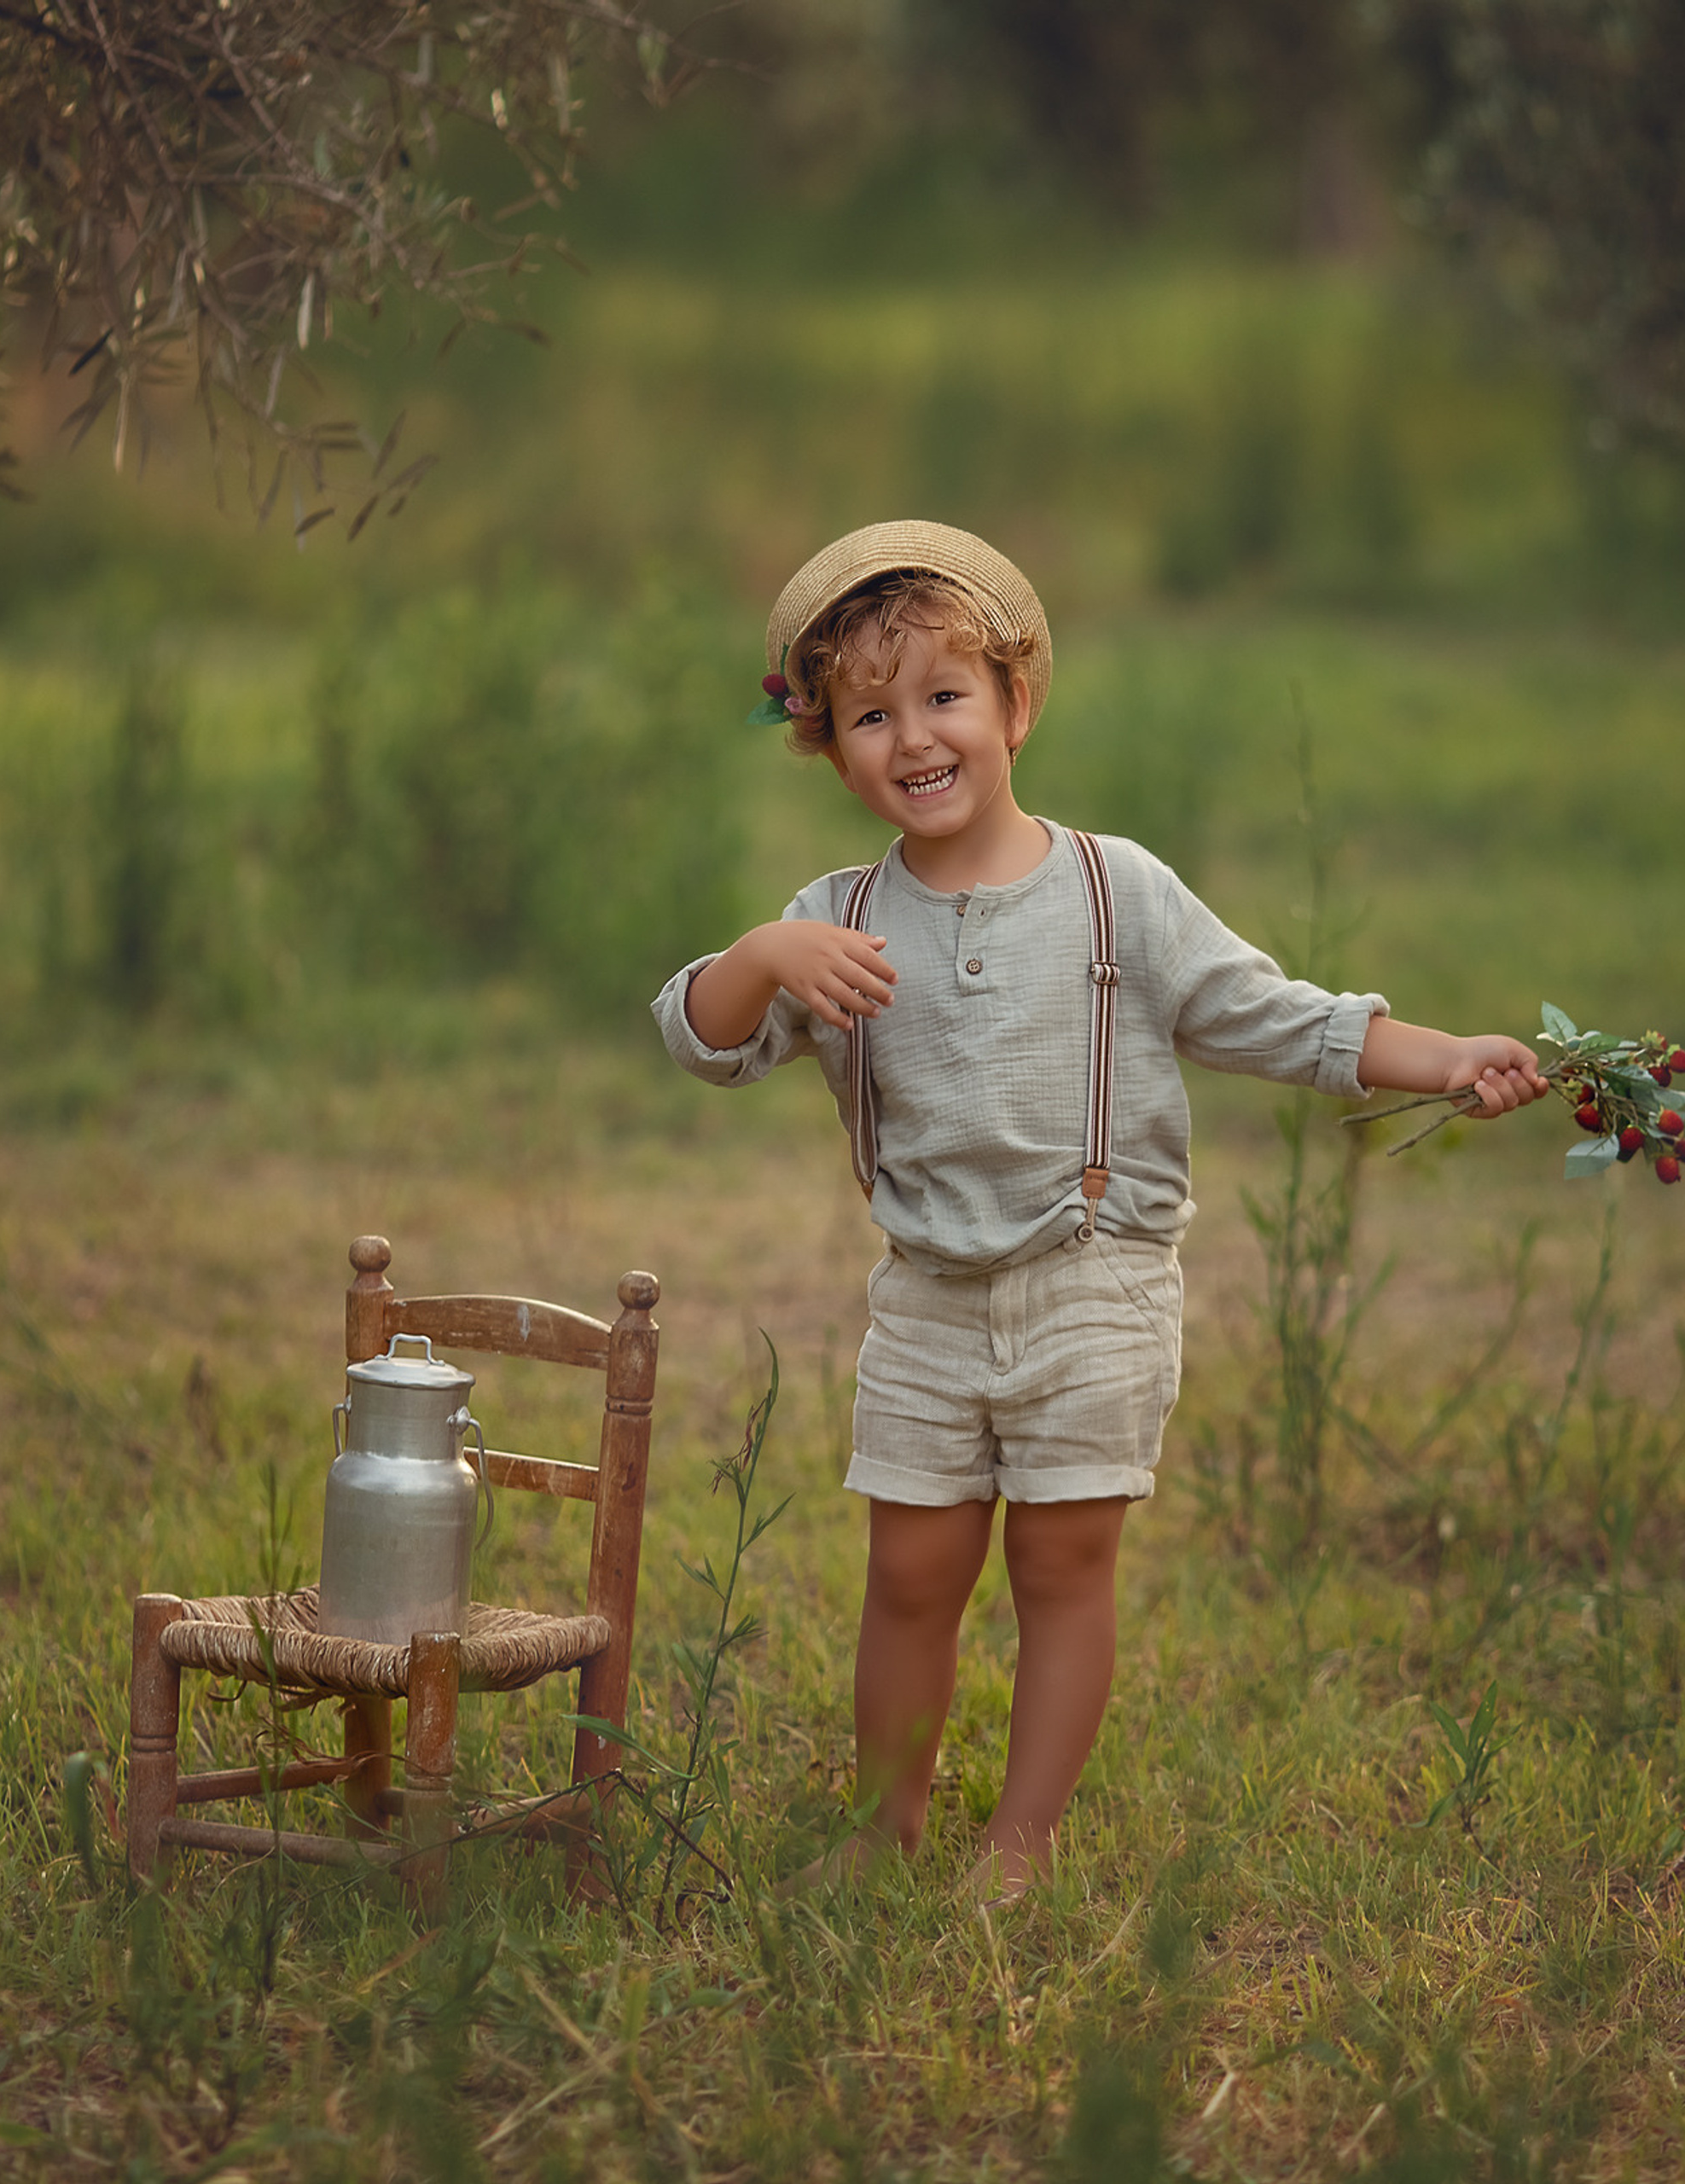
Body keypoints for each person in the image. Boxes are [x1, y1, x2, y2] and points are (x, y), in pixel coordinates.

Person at [654, 520, 1548, 1903]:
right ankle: (884, 1826)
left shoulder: (1114, 890)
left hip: (1095, 1279)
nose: (913, 738)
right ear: (828, 745)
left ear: (1015, 704)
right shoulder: (831, 922)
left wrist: (1446, 1058)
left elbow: (1277, 1019)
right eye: (869, 716)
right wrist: (764, 954)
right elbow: (702, 1042)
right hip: (928, 1299)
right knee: (911, 1573)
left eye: (944, 697)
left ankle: (1020, 1845)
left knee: (1064, 1565)